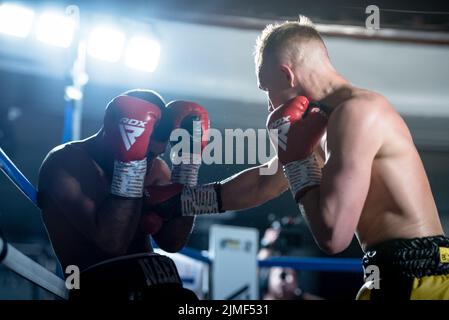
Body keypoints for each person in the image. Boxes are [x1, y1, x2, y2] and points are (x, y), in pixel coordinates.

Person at [143, 16, 449, 300]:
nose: (268, 104)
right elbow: (263, 184)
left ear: (285, 74)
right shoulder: (323, 127)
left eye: (266, 89)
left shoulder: (358, 113)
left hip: (421, 280)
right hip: (395, 277)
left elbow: (333, 236)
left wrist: (296, 161)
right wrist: (183, 201)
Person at [38, 89, 208, 300]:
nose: (147, 163)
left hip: (166, 287)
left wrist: (187, 170)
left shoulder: (155, 167)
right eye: (144, 153)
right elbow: (111, 243)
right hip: (106, 291)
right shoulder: (66, 163)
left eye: (154, 155)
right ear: (115, 132)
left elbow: (173, 241)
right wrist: (130, 166)